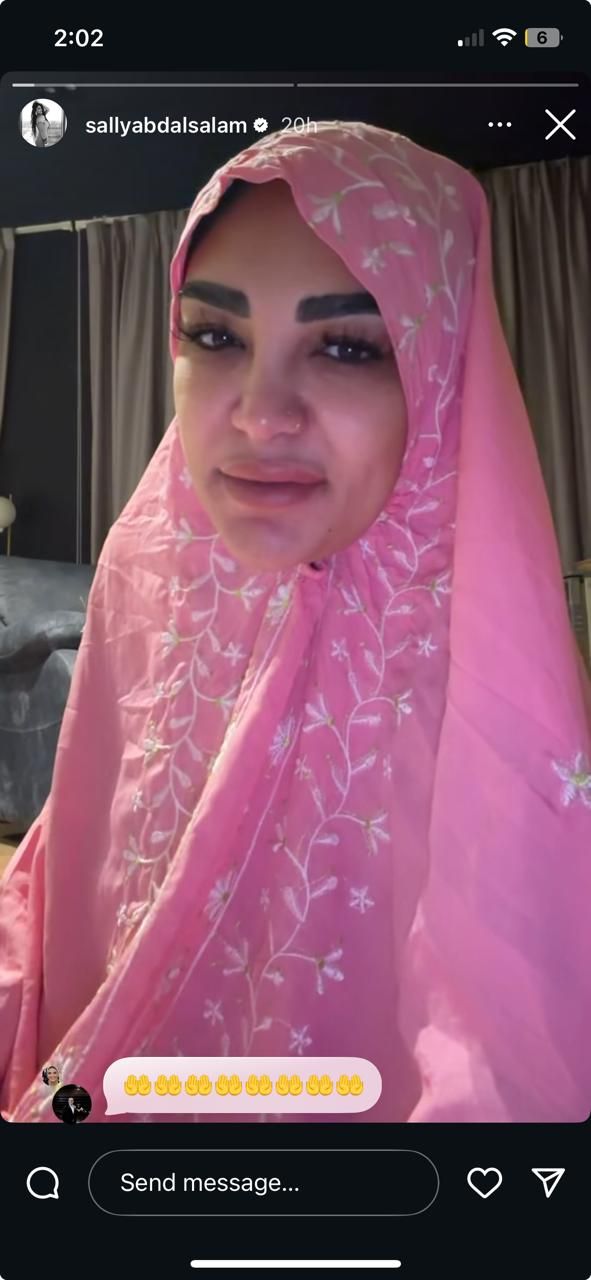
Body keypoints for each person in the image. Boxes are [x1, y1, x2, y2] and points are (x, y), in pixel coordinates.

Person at [0, 121, 590, 1125]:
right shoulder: (147, 584)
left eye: (348, 347)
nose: (259, 414)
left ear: (439, 369)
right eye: (216, 335)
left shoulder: (478, 681)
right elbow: (72, 889)